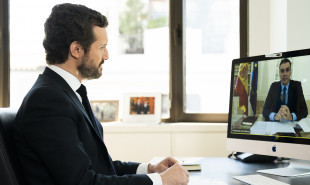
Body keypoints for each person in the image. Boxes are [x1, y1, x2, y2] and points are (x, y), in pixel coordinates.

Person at [14, 3, 189, 185]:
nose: (106, 55)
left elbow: (96, 168)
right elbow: (83, 182)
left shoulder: (64, 93)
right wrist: (160, 181)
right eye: (101, 47)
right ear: (76, 49)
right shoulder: (47, 101)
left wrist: (149, 170)